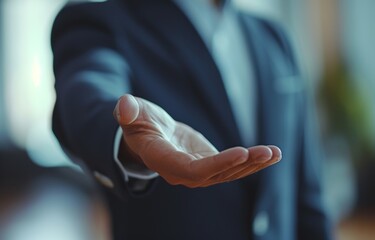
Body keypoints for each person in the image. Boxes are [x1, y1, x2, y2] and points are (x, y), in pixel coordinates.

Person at [51, 0, 332, 239]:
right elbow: (88, 91)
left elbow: (307, 199)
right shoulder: (103, 21)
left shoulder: (274, 38)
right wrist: (125, 135)